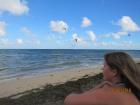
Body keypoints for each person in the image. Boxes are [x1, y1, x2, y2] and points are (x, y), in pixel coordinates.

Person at [64, 52, 140, 105]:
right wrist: (103, 84)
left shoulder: (108, 92)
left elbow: (68, 101)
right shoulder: (127, 89)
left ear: (114, 71)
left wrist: (99, 87)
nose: (102, 68)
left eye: (104, 66)